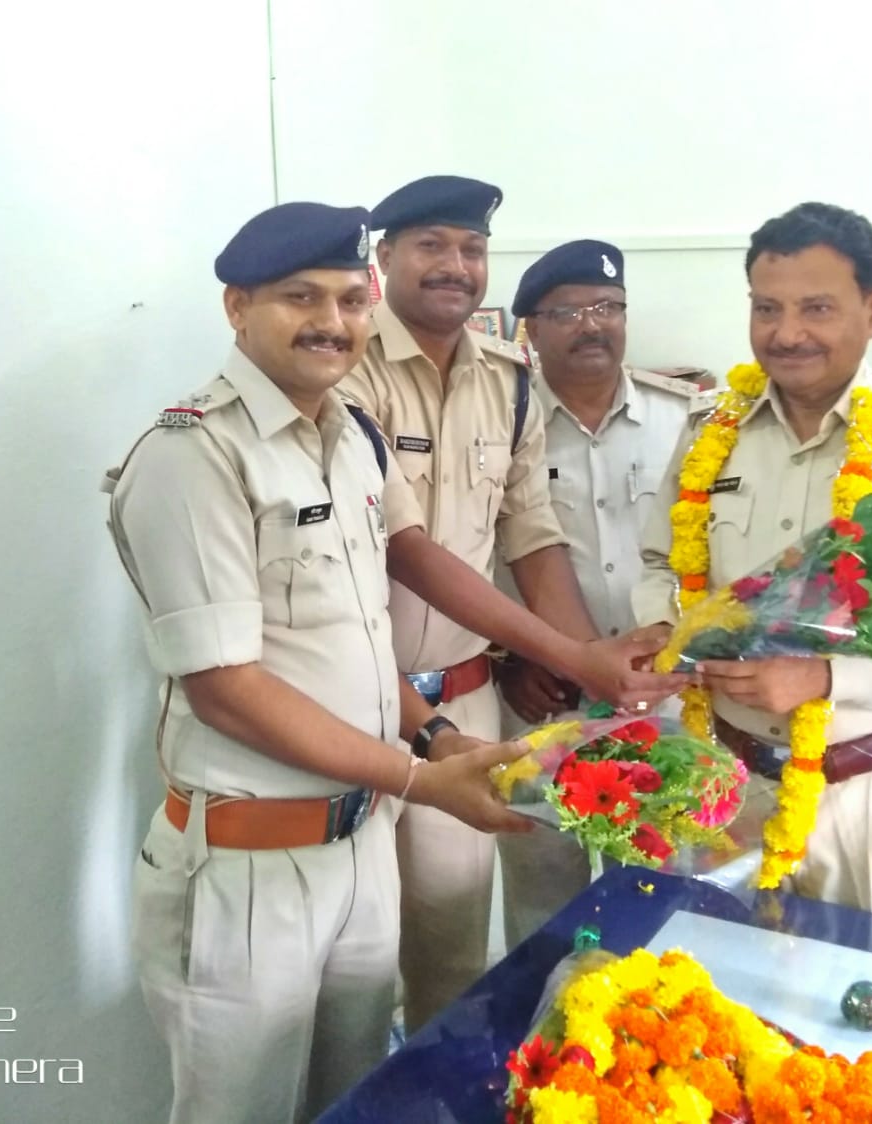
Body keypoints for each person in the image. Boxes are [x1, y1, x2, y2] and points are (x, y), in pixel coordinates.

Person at [102, 201, 535, 1124]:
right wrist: (420, 780)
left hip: (360, 847)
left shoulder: (353, 438)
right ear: (237, 307)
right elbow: (228, 691)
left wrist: (438, 735)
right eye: (300, 297)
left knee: (356, 1104)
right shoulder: (196, 454)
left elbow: (359, 639)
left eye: (349, 299)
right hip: (249, 871)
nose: (332, 322)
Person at [341, 176, 682, 1032]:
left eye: (472, 248)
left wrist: (602, 694)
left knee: (453, 955)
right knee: (353, 969)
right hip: (355, 703)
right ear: (385, 258)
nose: (455, 266)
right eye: (431, 246)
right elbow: (404, 547)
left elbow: (532, 538)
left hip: (466, 707)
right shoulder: (346, 367)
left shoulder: (510, 379)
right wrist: (575, 657)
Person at [633, 201, 872, 931]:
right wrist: (665, 629)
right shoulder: (711, 431)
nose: (787, 334)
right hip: (729, 783)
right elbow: (659, 560)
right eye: (766, 308)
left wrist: (826, 678)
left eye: (817, 308)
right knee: (722, 988)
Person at [494, 239, 695, 948]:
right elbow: (467, 552)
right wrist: (503, 659)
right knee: (541, 911)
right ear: (531, 329)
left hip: (662, 702)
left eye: (608, 307)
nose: (592, 325)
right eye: (568, 312)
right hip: (542, 703)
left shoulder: (688, 420)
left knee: (660, 905)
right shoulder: (501, 425)